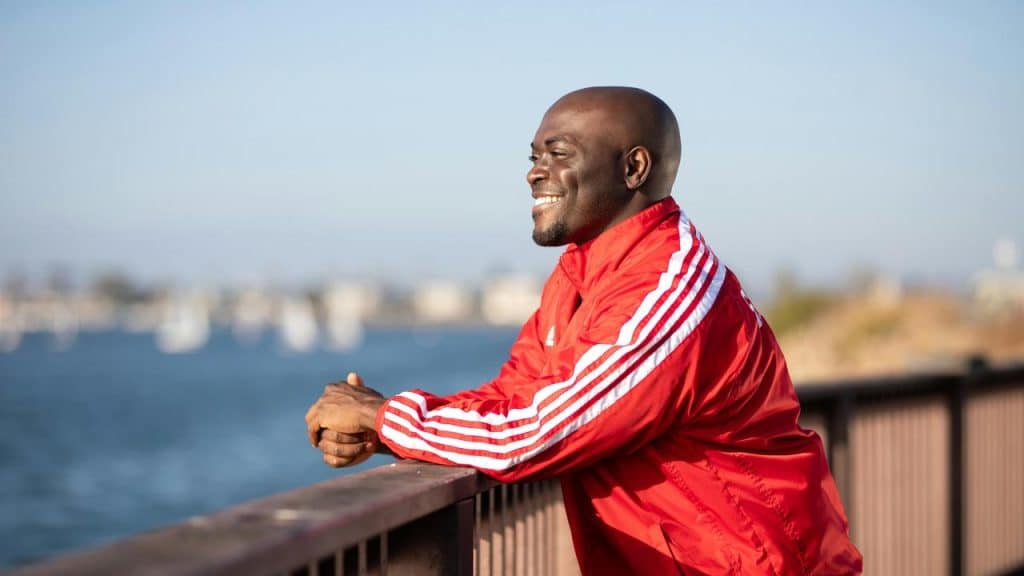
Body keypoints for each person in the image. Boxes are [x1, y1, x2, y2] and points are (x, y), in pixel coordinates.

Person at [305, 87, 863, 575]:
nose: (533, 171)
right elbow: (515, 397)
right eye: (533, 156)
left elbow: (536, 431)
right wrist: (384, 432)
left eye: (558, 153)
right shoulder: (581, 274)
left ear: (634, 169)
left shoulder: (669, 291)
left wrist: (383, 415)